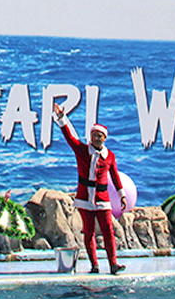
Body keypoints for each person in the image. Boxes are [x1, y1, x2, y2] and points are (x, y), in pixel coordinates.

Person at [53, 101, 126, 274]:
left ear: (104, 138)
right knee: (89, 232)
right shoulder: (82, 150)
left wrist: (121, 195)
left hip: (102, 198)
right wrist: (62, 119)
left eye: (99, 136)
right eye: (94, 135)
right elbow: (70, 138)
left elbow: (115, 176)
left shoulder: (109, 156)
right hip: (85, 198)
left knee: (108, 231)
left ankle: (113, 264)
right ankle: (94, 265)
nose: (96, 138)